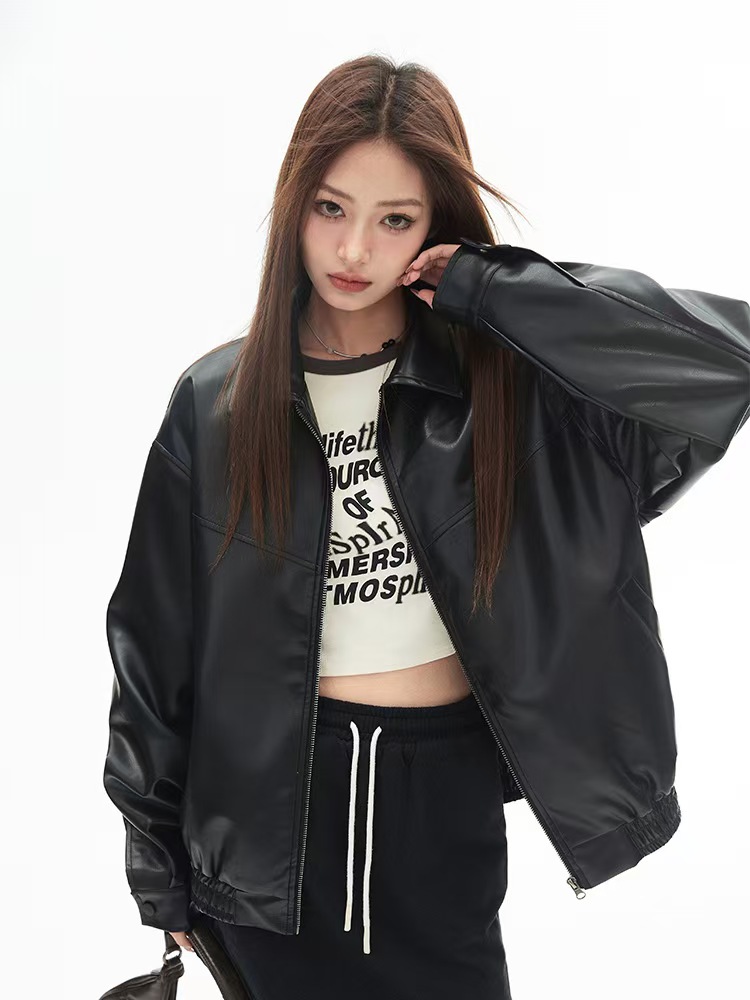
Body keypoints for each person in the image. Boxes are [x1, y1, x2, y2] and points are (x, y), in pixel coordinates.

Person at [102, 55, 750, 1000]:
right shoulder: (215, 404)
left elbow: (723, 365)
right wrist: (157, 870)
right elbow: (152, 655)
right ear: (293, 206)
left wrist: (498, 293)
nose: (353, 248)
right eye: (331, 208)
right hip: (270, 819)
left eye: (394, 219)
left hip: (441, 794)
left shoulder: (511, 389)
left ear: (436, 224)